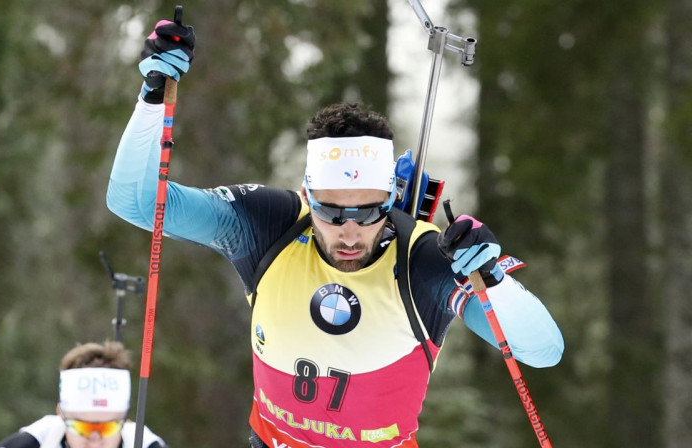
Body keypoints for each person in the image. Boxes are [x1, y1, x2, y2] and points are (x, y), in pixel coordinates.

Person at [106, 19, 564, 448]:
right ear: (307, 192)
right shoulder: (270, 225)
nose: (349, 231)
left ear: (391, 198)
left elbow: (543, 351)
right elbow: (136, 202)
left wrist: (493, 280)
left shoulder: (423, 259)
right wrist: (152, 95)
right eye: (329, 210)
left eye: (369, 213)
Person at [0, 341, 169, 448]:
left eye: (107, 428)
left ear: (125, 419)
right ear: (60, 414)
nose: (94, 441)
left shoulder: (145, 443)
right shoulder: (37, 441)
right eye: (81, 427)